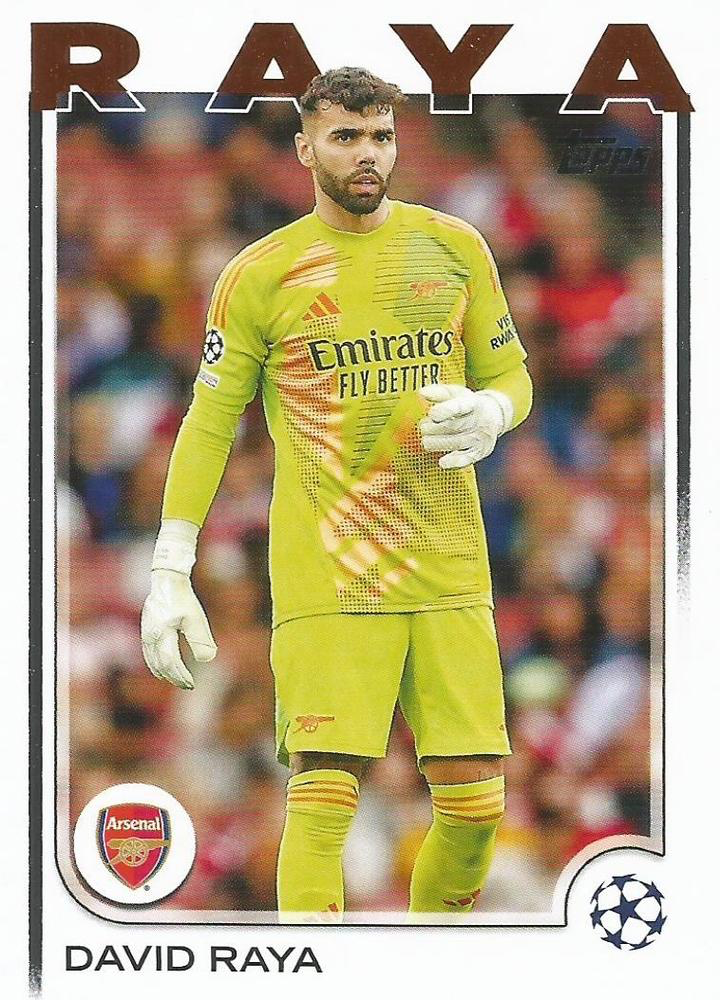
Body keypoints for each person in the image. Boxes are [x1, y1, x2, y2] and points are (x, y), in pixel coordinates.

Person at [140, 67, 533, 921]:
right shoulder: (261, 273)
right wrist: (171, 567)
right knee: (324, 799)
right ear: (304, 148)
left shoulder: (455, 246)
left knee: (476, 811)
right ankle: (320, 974)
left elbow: (511, 373)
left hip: (448, 562)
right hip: (331, 567)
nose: (367, 155)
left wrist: (496, 410)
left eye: (381, 136)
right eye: (346, 136)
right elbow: (209, 423)